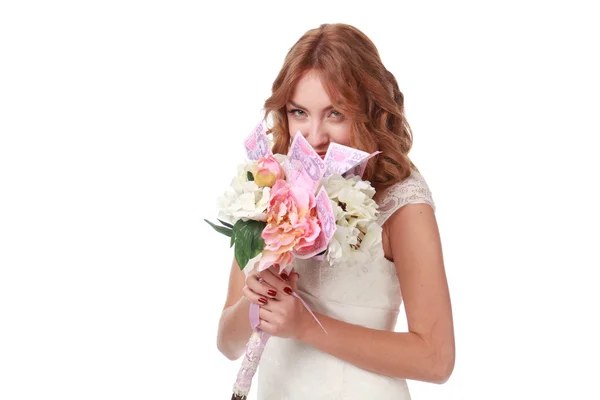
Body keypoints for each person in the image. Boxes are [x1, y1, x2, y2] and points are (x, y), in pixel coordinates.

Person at [217, 23, 455, 399]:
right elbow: (227, 345)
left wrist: (307, 326)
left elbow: (436, 359)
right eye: (299, 112)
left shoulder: (403, 204)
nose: (314, 136)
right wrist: (256, 297)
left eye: (335, 114)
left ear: (370, 112)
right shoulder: (269, 189)